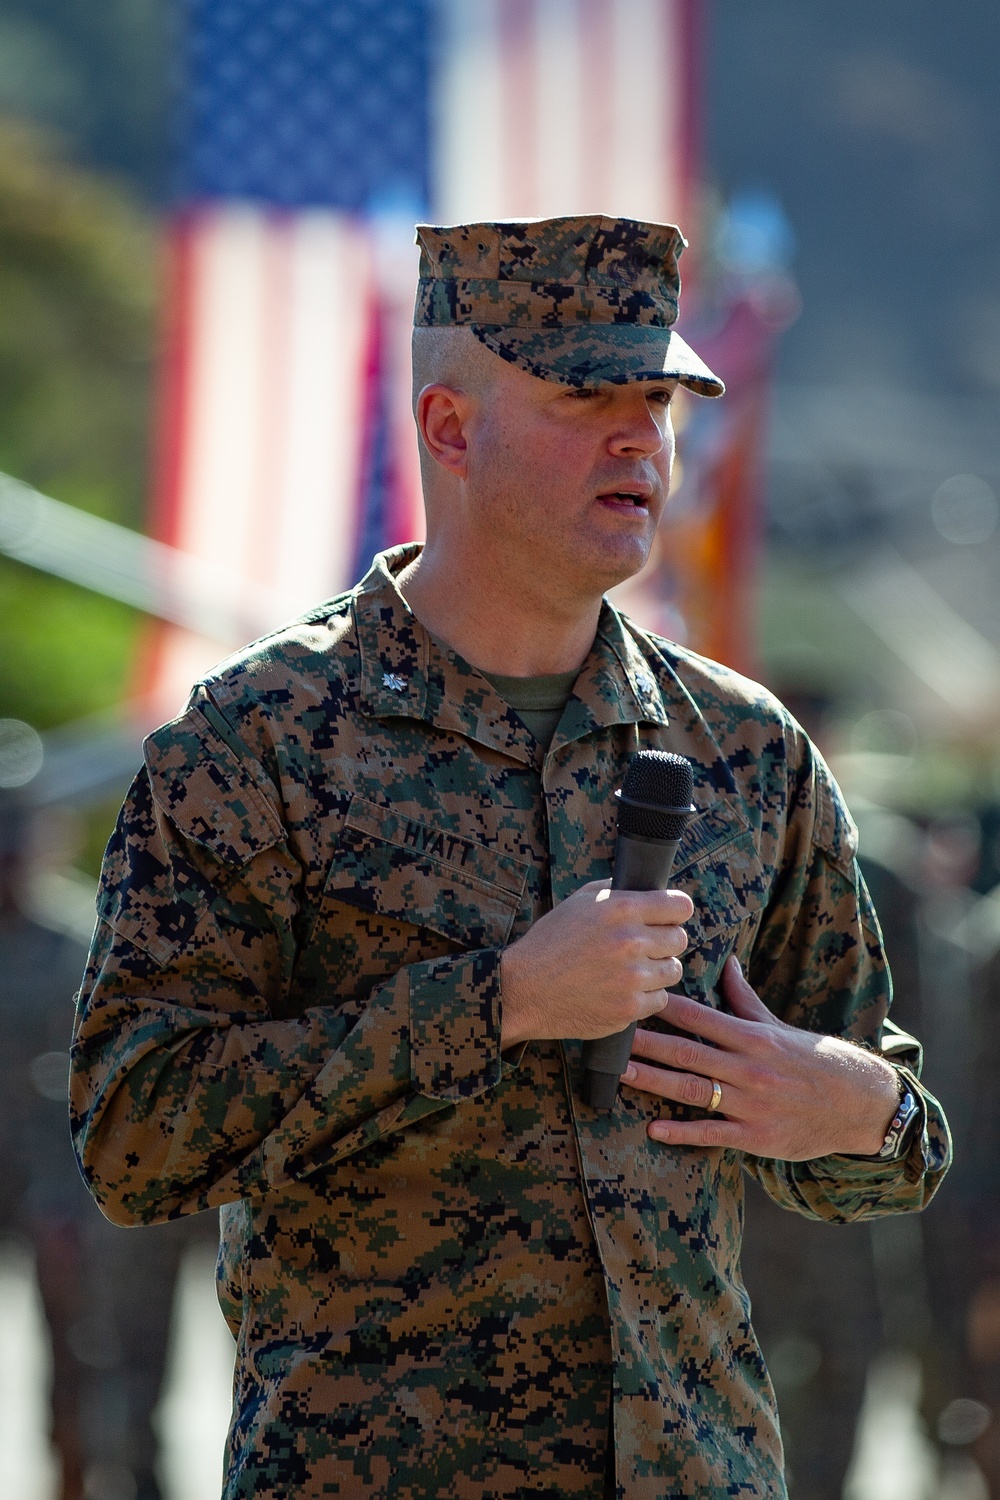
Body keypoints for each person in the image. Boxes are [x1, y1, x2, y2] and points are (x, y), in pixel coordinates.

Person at [70, 215, 951, 1500]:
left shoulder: (748, 753)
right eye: (587, 395)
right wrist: (500, 1006)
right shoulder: (259, 743)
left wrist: (851, 1111)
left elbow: (897, 1135)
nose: (638, 439)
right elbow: (133, 1137)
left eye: (658, 399)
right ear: (448, 427)